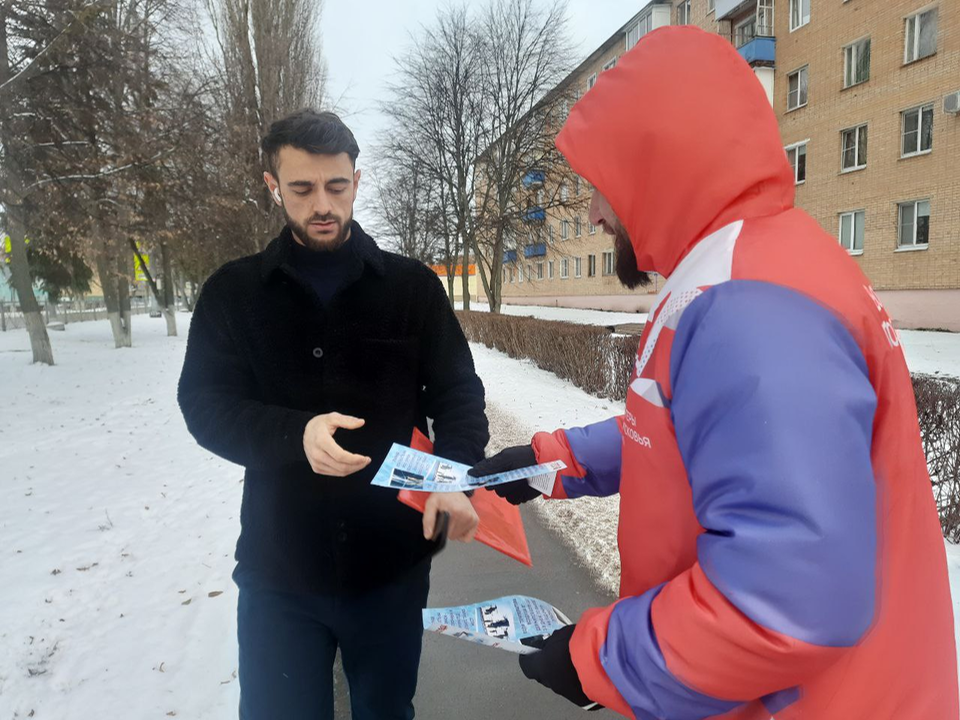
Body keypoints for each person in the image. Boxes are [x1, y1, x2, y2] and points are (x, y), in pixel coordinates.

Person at [470, 27, 958, 719]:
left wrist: (597, 660)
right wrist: (553, 462)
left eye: (601, 185)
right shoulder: (754, 268)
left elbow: (783, 605)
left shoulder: (750, 306)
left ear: (655, 163)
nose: (596, 213)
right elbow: (698, 427)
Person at [178, 109, 489, 720]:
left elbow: (457, 392)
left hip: (390, 568)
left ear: (356, 179)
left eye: (336, 186)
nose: (322, 203)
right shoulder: (233, 293)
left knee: (386, 711)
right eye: (301, 189)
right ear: (273, 186)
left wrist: (452, 477)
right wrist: (295, 434)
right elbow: (204, 405)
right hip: (279, 571)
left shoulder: (411, 288)